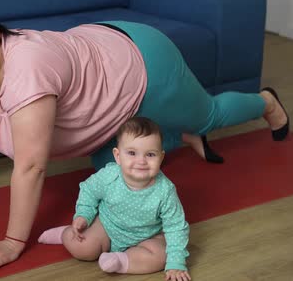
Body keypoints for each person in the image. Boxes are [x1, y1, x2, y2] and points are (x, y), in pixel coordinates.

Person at [0, 0, 289, 274]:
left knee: (207, 116)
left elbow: (31, 167)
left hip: (142, 64)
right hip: (100, 67)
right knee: (110, 169)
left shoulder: (27, 69)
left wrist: (12, 243)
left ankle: (265, 102)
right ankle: (176, 133)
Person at [38, 117, 192, 280]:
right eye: (132, 153)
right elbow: (89, 190)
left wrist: (176, 263)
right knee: (83, 247)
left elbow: (176, 227)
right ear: (118, 156)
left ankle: (120, 262)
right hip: (107, 227)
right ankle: (65, 233)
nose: (141, 161)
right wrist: (83, 215)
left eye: (150, 155)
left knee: (161, 256)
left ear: (160, 158)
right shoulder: (109, 176)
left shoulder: (165, 191)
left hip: (148, 236)